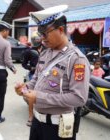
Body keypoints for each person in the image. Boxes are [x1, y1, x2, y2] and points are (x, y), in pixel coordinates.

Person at [15, 5, 90, 140]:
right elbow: (36, 78)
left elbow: (79, 98)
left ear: (60, 30)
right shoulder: (45, 53)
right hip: (37, 123)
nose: (42, 38)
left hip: (58, 128)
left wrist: (39, 97)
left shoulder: (77, 59)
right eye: (40, 34)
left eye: (45, 34)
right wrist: (25, 89)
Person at [21, 35, 43, 126]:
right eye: (36, 40)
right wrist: (31, 68)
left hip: (45, 75)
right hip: (33, 75)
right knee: (31, 96)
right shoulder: (28, 51)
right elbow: (24, 64)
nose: (37, 41)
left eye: (38, 40)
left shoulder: (47, 50)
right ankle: (30, 116)